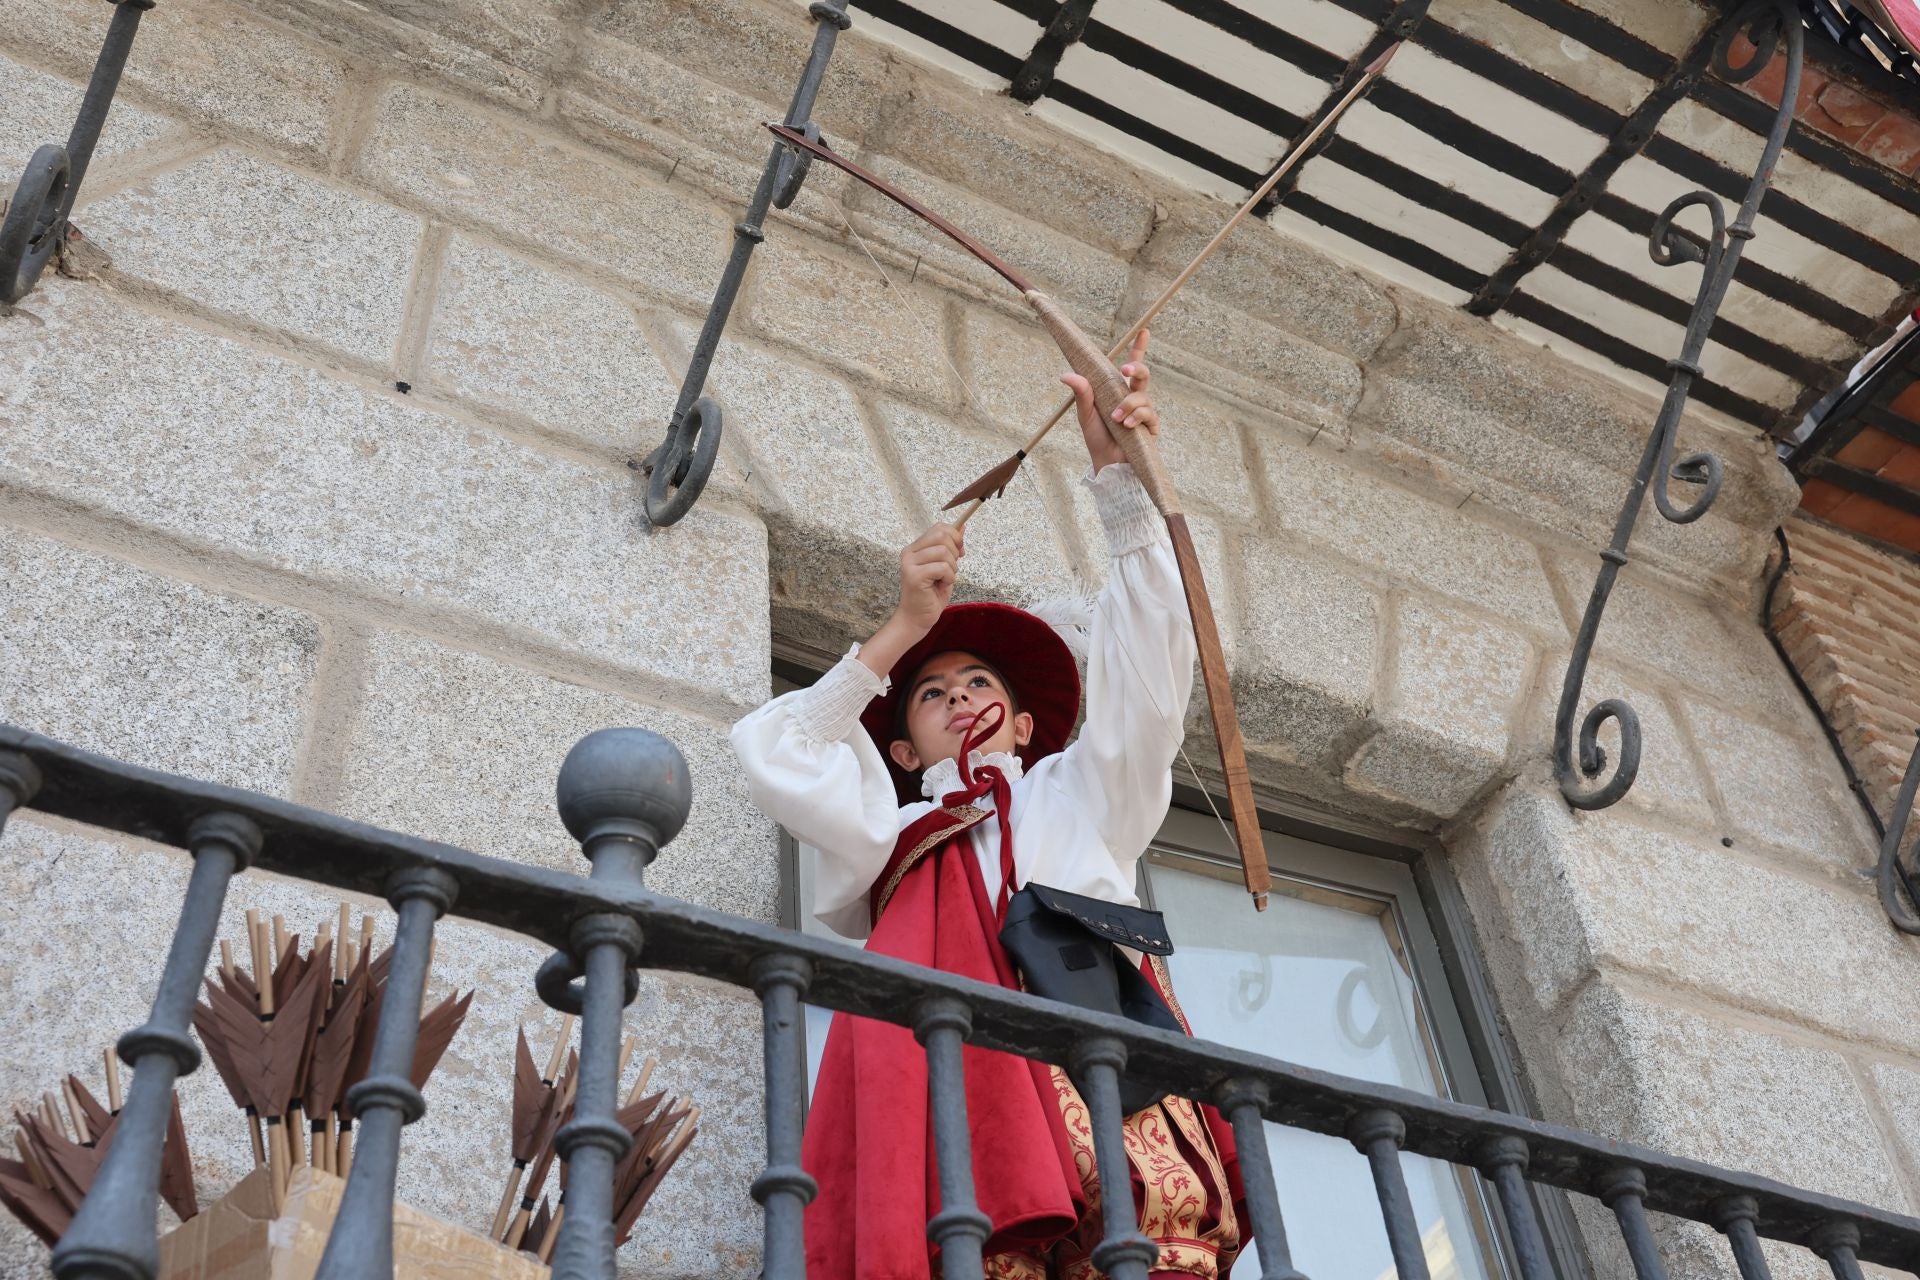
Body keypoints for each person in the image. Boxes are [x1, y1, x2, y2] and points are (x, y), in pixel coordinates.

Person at [731, 334, 1246, 1279]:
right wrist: (903, 627)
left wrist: (1121, 482)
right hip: (961, 1081)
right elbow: (775, 750)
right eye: (932, 694)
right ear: (902, 753)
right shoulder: (892, 833)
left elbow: (1151, 676)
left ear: (1024, 723)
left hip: (1102, 1062)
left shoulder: (1080, 792)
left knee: (1149, 1248)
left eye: (980, 683)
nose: (961, 696)